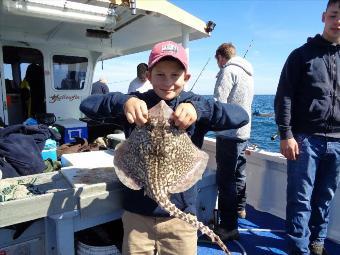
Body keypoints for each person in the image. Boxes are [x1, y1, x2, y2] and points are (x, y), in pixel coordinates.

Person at [80, 40, 249, 255]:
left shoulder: (193, 104)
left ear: (186, 77)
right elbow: (87, 105)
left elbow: (240, 116)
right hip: (137, 217)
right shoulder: (136, 103)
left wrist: (199, 109)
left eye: (175, 75)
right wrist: (124, 102)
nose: (168, 82)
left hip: (180, 218)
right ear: (148, 76)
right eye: (160, 74)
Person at [274, 1, 340, 254]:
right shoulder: (301, 55)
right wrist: (286, 135)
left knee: (325, 197)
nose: (338, 21)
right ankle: (298, 248)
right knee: (300, 199)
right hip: (305, 139)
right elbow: (284, 97)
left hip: (338, 141)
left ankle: (318, 242)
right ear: (324, 17)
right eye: (333, 15)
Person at [213, 43, 254, 241]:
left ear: (221, 57)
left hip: (229, 134)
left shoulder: (228, 71)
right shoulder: (248, 72)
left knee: (226, 179)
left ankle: (228, 227)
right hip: (244, 132)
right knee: (239, 175)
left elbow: (218, 103)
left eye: (217, 60)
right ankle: (240, 209)